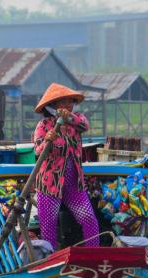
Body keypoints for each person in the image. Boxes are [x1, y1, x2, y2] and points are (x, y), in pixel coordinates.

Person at [32, 83, 100, 249]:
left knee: (89, 219)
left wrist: (68, 117)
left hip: (73, 184)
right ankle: (51, 261)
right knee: (49, 227)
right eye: (63, 102)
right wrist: (48, 140)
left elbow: (85, 125)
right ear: (54, 105)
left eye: (70, 102)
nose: (67, 105)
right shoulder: (44, 125)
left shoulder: (76, 122)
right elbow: (37, 152)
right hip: (50, 185)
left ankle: (94, 254)